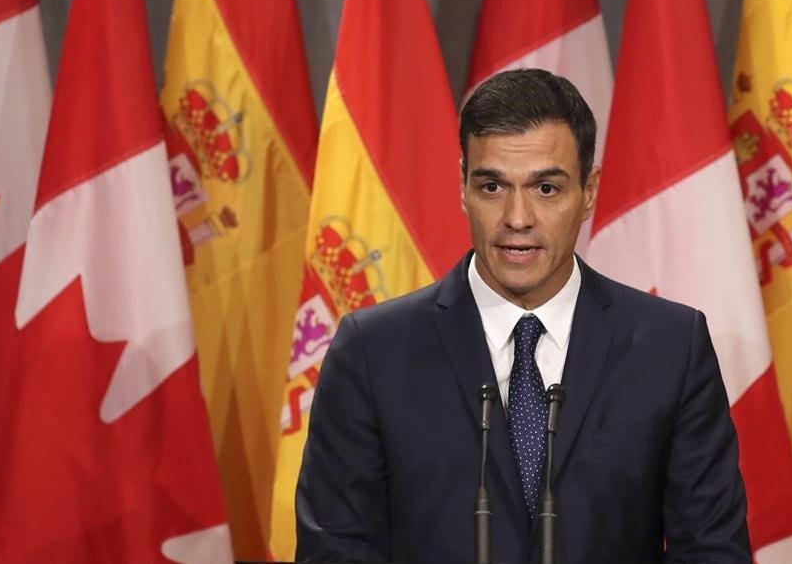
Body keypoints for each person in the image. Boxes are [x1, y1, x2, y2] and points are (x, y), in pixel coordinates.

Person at [295, 68, 750, 563]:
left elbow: (711, 549)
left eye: (546, 189)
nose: (517, 218)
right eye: (492, 187)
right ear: (463, 187)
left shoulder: (669, 346)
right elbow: (335, 550)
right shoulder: (373, 351)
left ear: (589, 191)